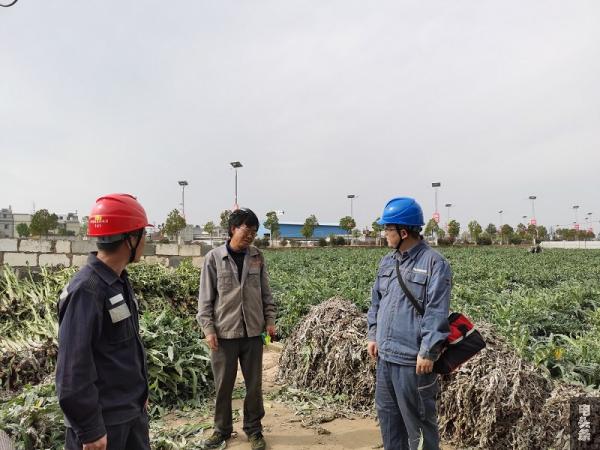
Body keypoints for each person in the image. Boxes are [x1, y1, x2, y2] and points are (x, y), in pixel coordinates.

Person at [56, 193, 151, 450]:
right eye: (144, 234)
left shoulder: (118, 281)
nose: (146, 241)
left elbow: (121, 349)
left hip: (129, 415)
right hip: (104, 428)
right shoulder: (87, 291)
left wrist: (139, 396)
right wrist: (90, 430)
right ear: (130, 239)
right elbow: (72, 370)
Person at [367, 197, 451, 450]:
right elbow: (376, 302)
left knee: (420, 424)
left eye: (388, 229)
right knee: (389, 420)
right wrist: (373, 334)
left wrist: (428, 352)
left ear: (403, 232)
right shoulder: (387, 261)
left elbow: (436, 311)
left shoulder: (435, 263)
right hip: (385, 357)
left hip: (413, 362)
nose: (385, 234)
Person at [197, 207, 276, 450]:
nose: (251, 235)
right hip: (224, 334)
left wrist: (270, 320)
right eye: (247, 230)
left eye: (254, 231)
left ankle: (254, 430)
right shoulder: (214, 258)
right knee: (224, 385)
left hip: (253, 332)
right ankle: (222, 429)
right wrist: (208, 329)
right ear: (233, 229)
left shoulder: (257, 257)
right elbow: (205, 299)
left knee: (254, 385)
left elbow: (265, 292)